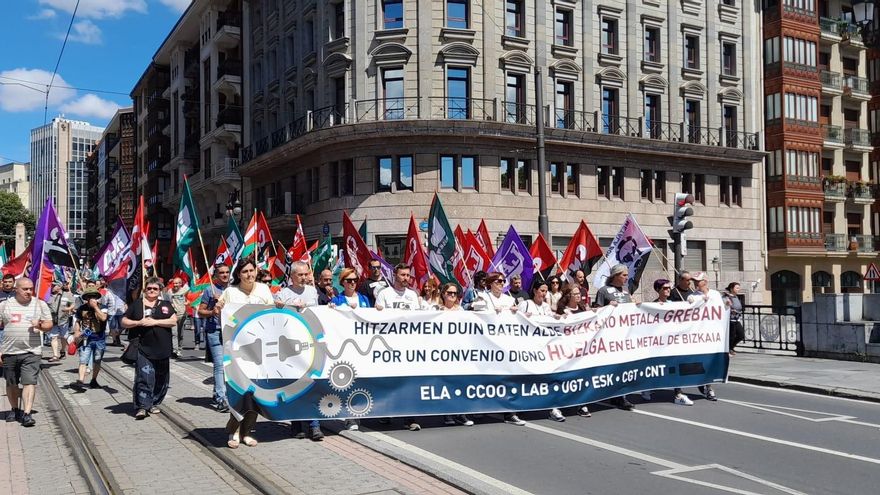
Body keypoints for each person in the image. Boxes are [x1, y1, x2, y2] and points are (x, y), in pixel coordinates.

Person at [214, 257, 274, 447]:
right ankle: (235, 430)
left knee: (255, 390)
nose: (249, 274)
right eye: (245, 271)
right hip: (236, 348)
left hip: (259, 348)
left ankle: (247, 430)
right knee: (239, 389)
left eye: (252, 270)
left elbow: (271, 312)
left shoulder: (264, 290)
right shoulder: (230, 292)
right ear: (238, 274)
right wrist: (218, 308)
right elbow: (219, 312)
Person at [275, 262, 324, 441]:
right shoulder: (284, 293)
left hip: (310, 343)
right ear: (292, 276)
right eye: (300, 275)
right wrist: (277, 305)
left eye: (306, 274)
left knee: (312, 383)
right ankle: (297, 425)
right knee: (295, 385)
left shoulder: (312, 292)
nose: (304, 278)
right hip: (290, 346)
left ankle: (314, 425)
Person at [375, 264, 423, 431]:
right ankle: (385, 413)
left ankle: (409, 418)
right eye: (402, 275)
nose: (405, 278)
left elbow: (418, 320)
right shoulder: (384, 294)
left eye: (408, 275)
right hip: (389, 346)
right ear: (395, 275)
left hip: (407, 346)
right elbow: (377, 318)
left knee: (407, 382)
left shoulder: (412, 295)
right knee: (389, 381)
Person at [121, 277, 177, 420]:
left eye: (155, 289)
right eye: (149, 288)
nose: (152, 291)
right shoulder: (137, 304)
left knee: (161, 379)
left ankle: (153, 402)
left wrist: (155, 322)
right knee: (145, 377)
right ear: (145, 290)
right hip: (143, 348)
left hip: (162, 348)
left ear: (159, 291)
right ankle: (142, 406)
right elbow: (124, 321)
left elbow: (173, 320)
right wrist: (138, 322)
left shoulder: (165, 304)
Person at [473, 272, 525, 426]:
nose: (501, 284)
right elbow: (475, 313)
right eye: (498, 281)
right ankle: (479, 408)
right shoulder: (483, 296)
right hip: (487, 345)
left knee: (508, 378)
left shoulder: (509, 299)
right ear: (490, 283)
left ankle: (510, 412)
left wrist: (517, 312)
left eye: (503, 281)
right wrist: (489, 312)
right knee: (485, 378)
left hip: (505, 344)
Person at [0, 278, 53, 426]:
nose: (29, 291)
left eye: (31, 289)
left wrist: (40, 325)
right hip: (9, 351)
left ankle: (27, 413)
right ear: (16, 289)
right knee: (11, 383)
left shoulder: (39, 304)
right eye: (25, 289)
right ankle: (15, 409)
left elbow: (49, 324)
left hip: (32, 351)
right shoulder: (4, 305)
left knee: (30, 382)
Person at [642, 279, 694, 406]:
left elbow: (684, 313)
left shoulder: (673, 303)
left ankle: (678, 394)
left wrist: (691, 303)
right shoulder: (653, 305)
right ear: (658, 290)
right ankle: (646, 388)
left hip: (672, 343)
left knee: (676, 366)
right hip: (658, 344)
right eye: (665, 288)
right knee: (656, 368)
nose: (668, 290)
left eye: (669, 288)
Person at [594, 264, 636, 411]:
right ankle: (610, 393)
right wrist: (607, 307)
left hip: (625, 335)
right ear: (616, 275)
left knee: (623, 365)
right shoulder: (603, 291)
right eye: (624, 275)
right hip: (609, 336)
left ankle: (621, 395)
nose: (626, 277)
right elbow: (596, 312)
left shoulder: (626, 290)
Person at [553, 285, 594, 418]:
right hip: (567, 350)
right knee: (565, 378)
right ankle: (556, 406)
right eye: (575, 293)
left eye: (579, 293)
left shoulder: (582, 308)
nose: (578, 295)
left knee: (581, 377)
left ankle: (581, 404)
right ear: (568, 295)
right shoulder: (562, 309)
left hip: (582, 350)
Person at [197, 263, 232, 413]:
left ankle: (216, 391)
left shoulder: (234, 290)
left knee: (229, 366)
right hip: (215, 331)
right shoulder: (209, 290)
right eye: (221, 273)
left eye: (227, 272)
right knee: (220, 365)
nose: (225, 275)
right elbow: (200, 312)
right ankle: (221, 399)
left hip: (231, 332)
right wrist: (212, 310)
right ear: (216, 275)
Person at [688, 272, 720, 402]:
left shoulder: (715, 294)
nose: (696, 283)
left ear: (705, 282)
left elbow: (721, 309)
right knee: (701, 361)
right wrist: (694, 302)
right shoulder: (692, 296)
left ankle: (709, 387)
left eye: (698, 281)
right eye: (694, 281)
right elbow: (688, 310)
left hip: (712, 334)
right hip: (698, 334)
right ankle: (703, 383)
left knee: (710, 362)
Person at [71, 288, 109, 390]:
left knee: (97, 360)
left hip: (99, 339)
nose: (92, 299)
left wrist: (95, 307)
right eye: (90, 297)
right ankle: (80, 380)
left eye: (94, 297)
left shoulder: (103, 308)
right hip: (86, 339)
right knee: (83, 360)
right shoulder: (81, 308)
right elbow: (78, 321)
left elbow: (103, 318)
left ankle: (94, 380)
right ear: (86, 299)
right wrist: (76, 332)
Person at [48, 282, 75, 362]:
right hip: (52, 320)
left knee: (63, 337)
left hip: (63, 319)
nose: (52, 287)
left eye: (54, 285)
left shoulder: (67, 294)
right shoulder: (48, 295)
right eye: (51, 285)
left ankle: (62, 351)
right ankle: (55, 355)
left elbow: (73, 304)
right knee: (53, 336)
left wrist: (68, 309)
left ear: (59, 286)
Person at [166, 277, 189, 357]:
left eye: (177, 283)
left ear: (180, 284)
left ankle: (179, 348)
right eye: (174, 283)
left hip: (182, 315)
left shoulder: (185, 290)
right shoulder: (170, 291)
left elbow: (191, 297)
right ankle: (174, 350)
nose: (175, 285)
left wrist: (188, 302)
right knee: (174, 333)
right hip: (174, 315)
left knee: (180, 334)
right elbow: (168, 302)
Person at [724, 282, 744, 355]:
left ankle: (730, 347)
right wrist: (731, 309)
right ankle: (729, 349)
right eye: (737, 288)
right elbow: (724, 306)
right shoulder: (727, 297)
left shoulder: (736, 297)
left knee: (741, 335)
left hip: (737, 319)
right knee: (731, 336)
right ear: (732, 289)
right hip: (730, 319)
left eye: (739, 288)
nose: (739, 289)